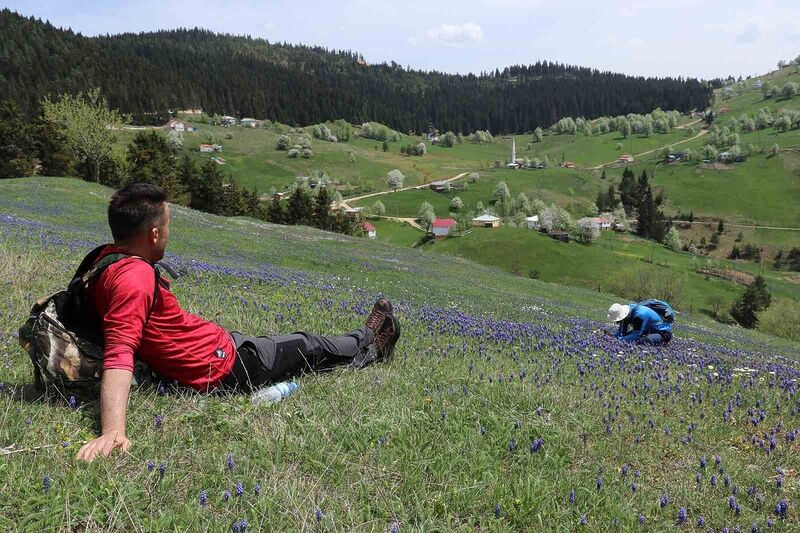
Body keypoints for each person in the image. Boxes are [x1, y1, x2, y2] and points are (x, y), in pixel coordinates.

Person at [76, 183, 400, 462]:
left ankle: (366, 349)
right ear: (155, 233)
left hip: (218, 350)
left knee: (300, 358)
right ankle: (366, 338)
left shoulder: (105, 258)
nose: (169, 234)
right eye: (169, 226)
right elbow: (120, 354)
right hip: (227, 366)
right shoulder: (134, 279)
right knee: (307, 344)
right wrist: (113, 431)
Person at [606, 302, 672, 346]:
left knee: (644, 341)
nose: (618, 322)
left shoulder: (640, 314)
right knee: (627, 337)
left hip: (662, 333)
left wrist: (620, 340)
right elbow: (621, 331)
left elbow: (636, 334)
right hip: (646, 330)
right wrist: (614, 337)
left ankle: (661, 342)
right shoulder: (627, 313)